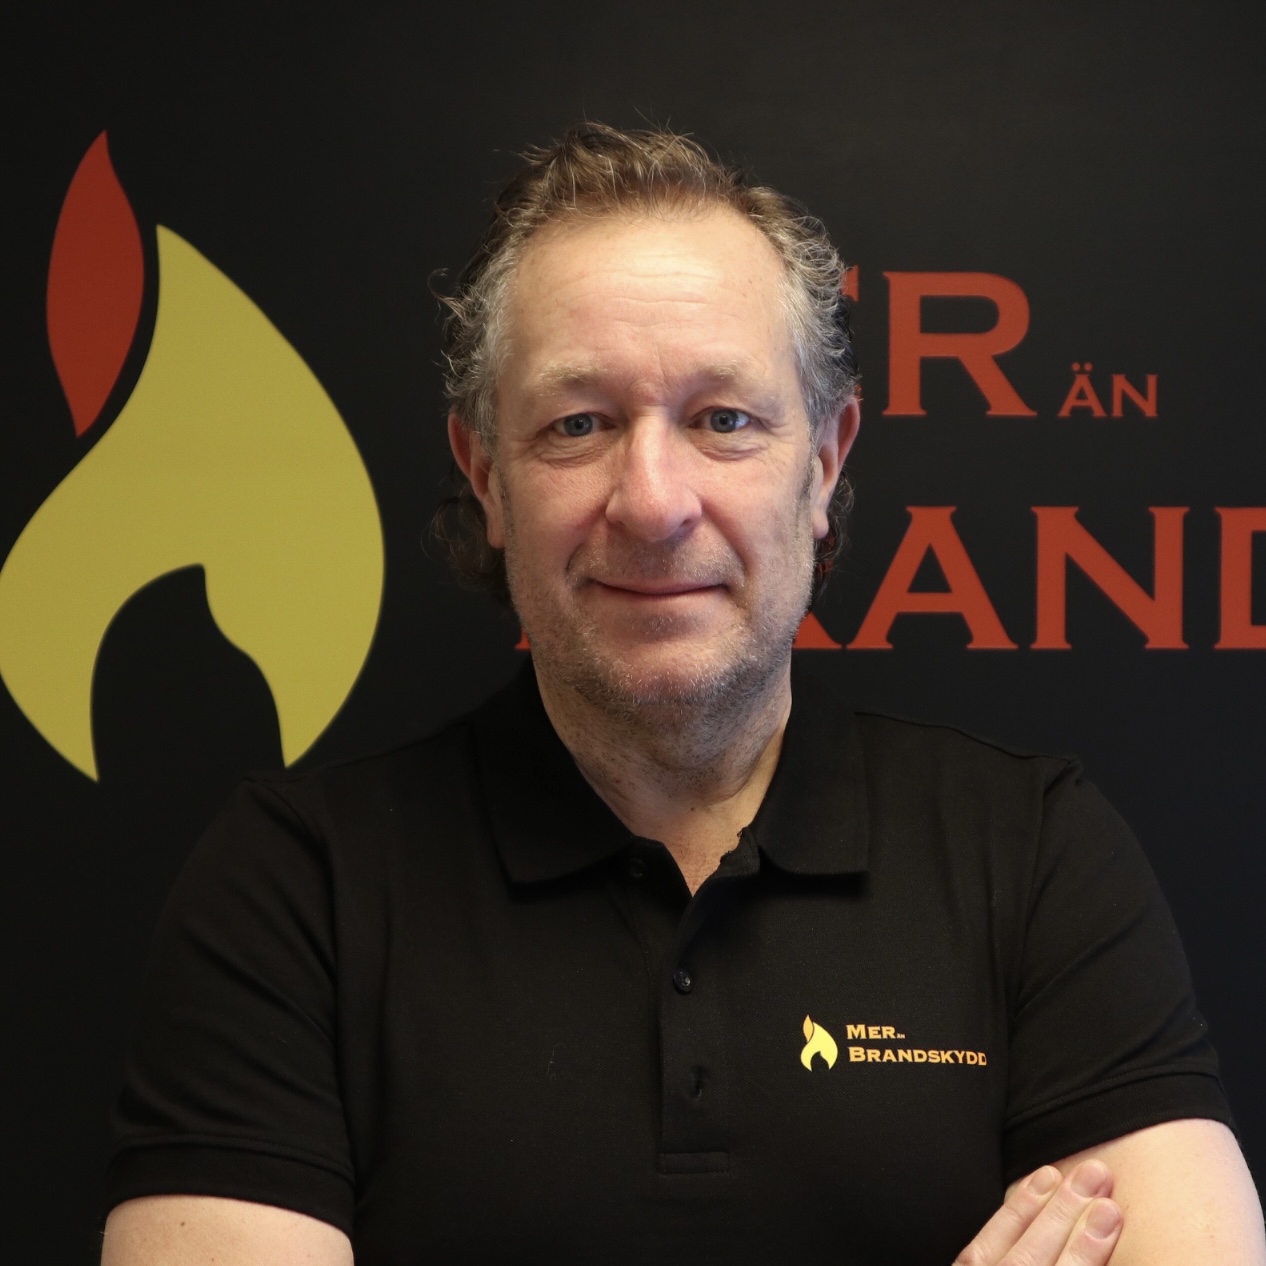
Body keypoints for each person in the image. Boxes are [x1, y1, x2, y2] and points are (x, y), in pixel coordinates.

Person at [100, 124, 1265, 1265]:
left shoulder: (1031, 849)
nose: (653, 503)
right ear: (486, 475)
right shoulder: (298, 887)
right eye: (579, 425)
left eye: (724, 421)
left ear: (824, 462)